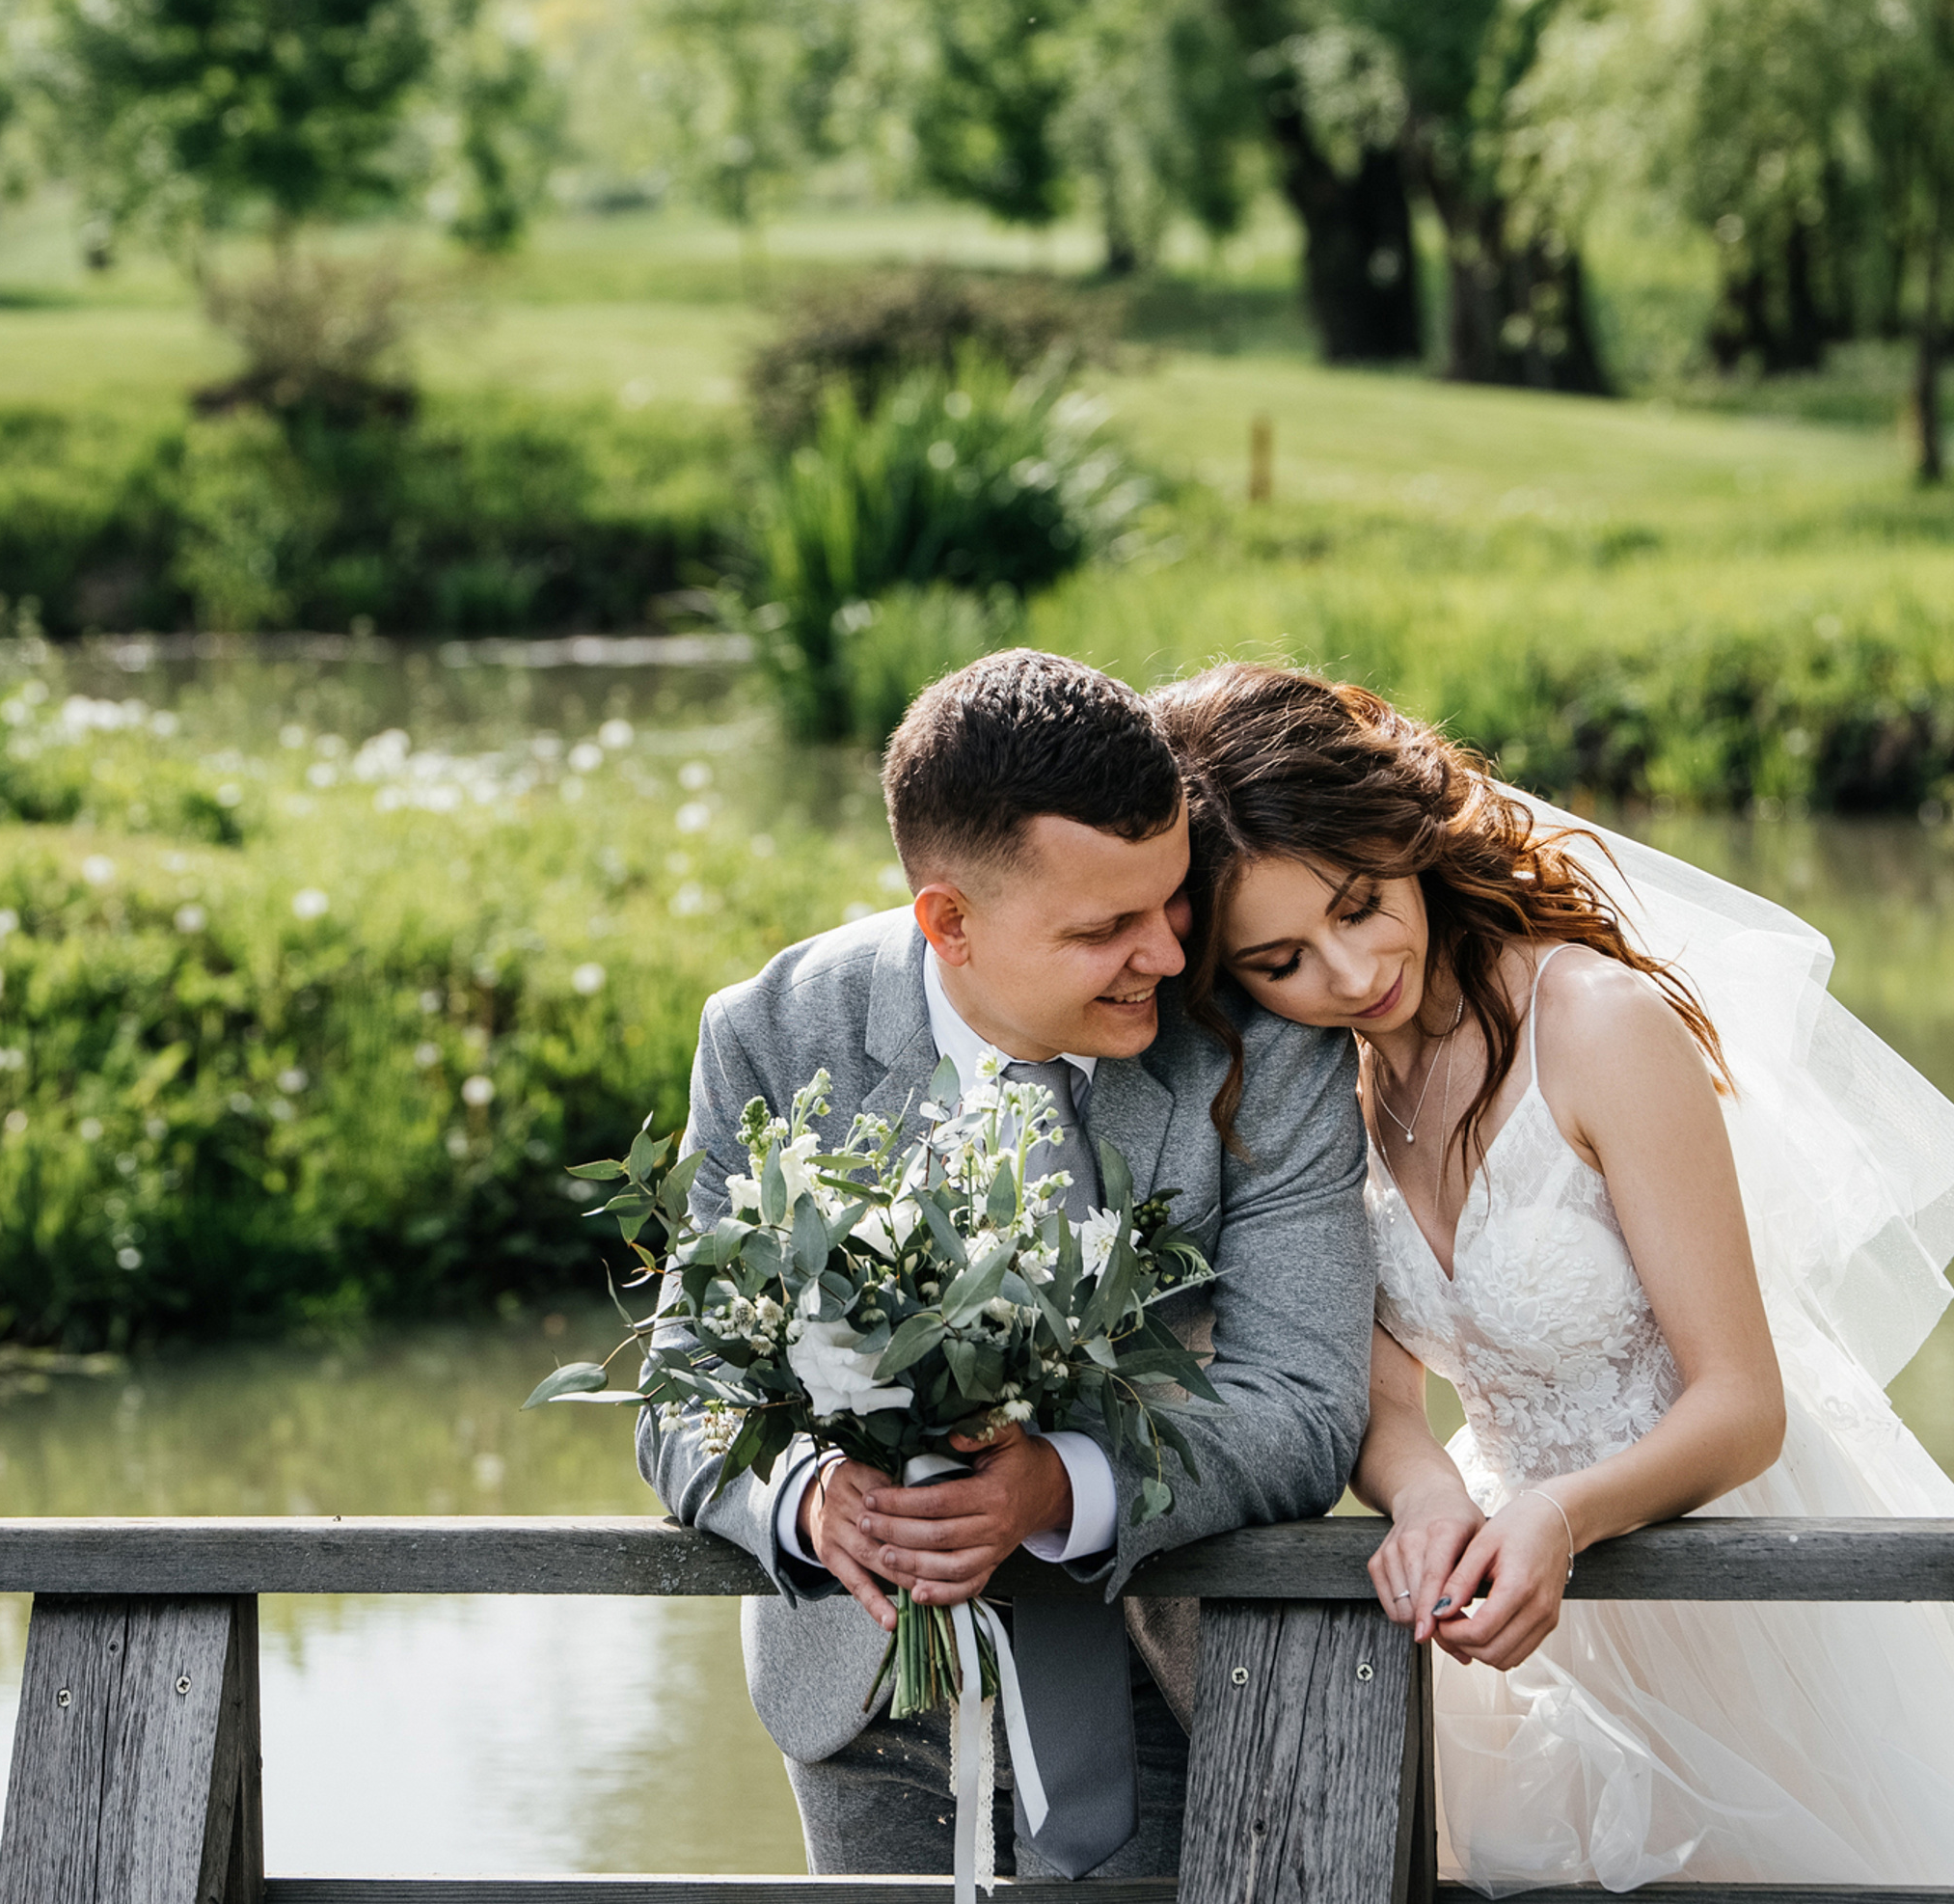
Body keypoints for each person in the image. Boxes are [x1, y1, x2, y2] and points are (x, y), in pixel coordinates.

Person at [1154, 661, 1954, 1894]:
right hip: (1521, 1610)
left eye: (1361, 902)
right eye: (1279, 960)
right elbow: (1376, 1401)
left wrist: (1558, 1515)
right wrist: (1425, 1501)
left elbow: (1741, 1402)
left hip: (1735, 1580)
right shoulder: (1321, 1086)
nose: (1349, 972)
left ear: (1401, 835)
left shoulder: (1595, 1024)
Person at [639, 649, 1373, 1881]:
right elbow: (687, 1386)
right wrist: (814, 1501)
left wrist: (1058, 1488)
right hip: (858, 1687)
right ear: (950, 920)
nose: (1164, 952)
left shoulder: (1264, 1043)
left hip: (1170, 1666)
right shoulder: (770, 1032)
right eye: (1104, 928)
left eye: (1172, 897)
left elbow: (1305, 1403)